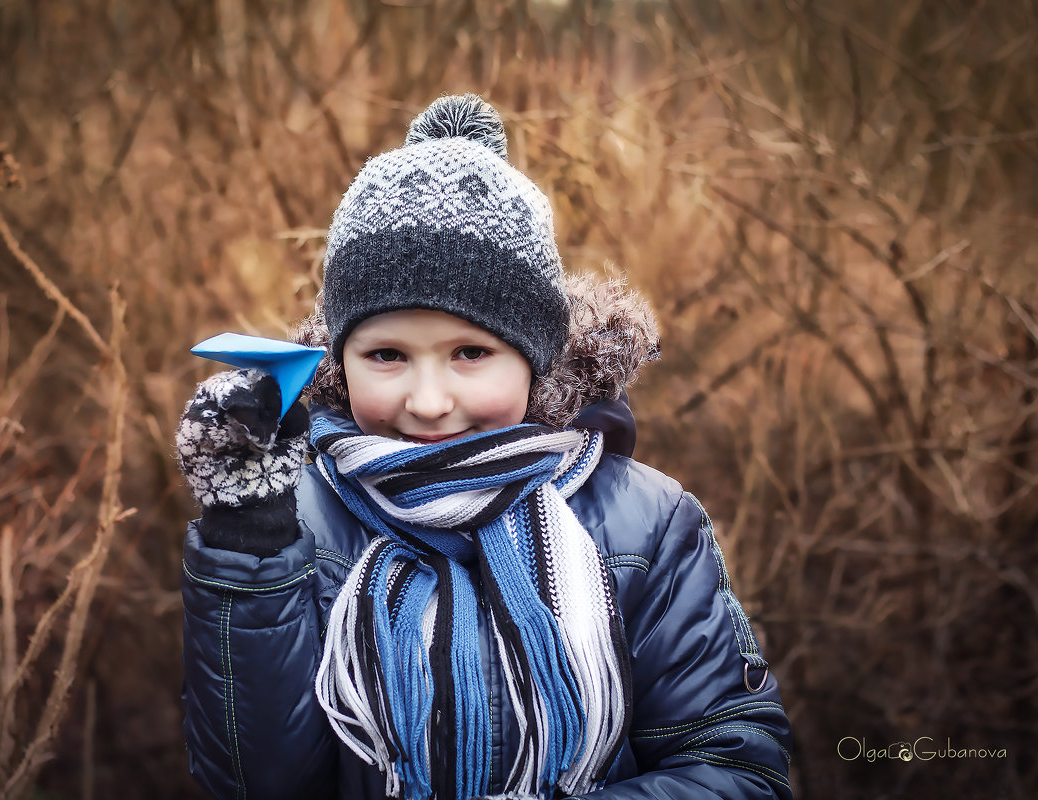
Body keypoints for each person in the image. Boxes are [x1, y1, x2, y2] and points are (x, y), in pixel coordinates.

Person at [175, 94, 793, 800]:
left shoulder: (646, 525)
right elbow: (256, 783)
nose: (429, 401)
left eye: (470, 352)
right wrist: (247, 546)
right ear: (338, 360)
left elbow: (736, 767)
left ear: (534, 358)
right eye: (386, 355)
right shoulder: (295, 525)